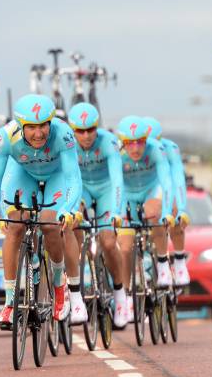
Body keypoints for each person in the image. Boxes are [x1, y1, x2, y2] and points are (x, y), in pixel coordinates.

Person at [0, 94, 83, 328]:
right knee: (15, 223)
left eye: (43, 126)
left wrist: (68, 209)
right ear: (20, 126)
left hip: (56, 175)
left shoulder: (63, 134)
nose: (39, 134)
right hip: (22, 173)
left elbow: (73, 179)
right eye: (32, 128)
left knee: (50, 223)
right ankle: (9, 303)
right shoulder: (4, 137)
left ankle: (59, 288)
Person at [68, 102, 127, 328]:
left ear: (97, 127)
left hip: (106, 190)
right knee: (73, 228)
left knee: (109, 242)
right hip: (81, 188)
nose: (86, 135)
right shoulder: (67, 143)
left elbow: (118, 180)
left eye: (91, 129)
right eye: (80, 131)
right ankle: (75, 286)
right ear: (73, 130)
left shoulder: (109, 142)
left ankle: (121, 295)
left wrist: (118, 211)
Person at [115, 115, 175, 320]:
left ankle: (162, 261)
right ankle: (126, 296)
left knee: (153, 212)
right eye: (130, 144)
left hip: (151, 190)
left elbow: (166, 182)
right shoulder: (117, 154)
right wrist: (116, 211)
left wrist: (166, 208)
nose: (135, 149)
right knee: (124, 247)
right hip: (128, 197)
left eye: (140, 142)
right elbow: (114, 185)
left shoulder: (155, 150)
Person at [143, 116, 191, 286]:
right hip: (143, 185)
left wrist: (182, 208)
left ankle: (177, 261)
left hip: (165, 183)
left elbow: (177, 179)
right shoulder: (133, 148)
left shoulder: (170, 149)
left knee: (172, 210)